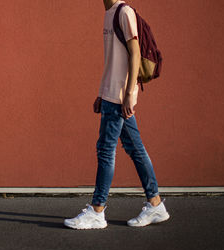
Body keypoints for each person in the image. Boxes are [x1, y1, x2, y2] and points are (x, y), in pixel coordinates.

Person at [64, 0, 170, 229]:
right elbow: (113, 61)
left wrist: (130, 93)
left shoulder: (124, 12)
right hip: (112, 95)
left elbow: (135, 54)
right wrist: (101, 93)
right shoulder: (109, 13)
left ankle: (97, 211)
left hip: (120, 97)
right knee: (135, 148)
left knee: (105, 150)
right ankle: (155, 205)